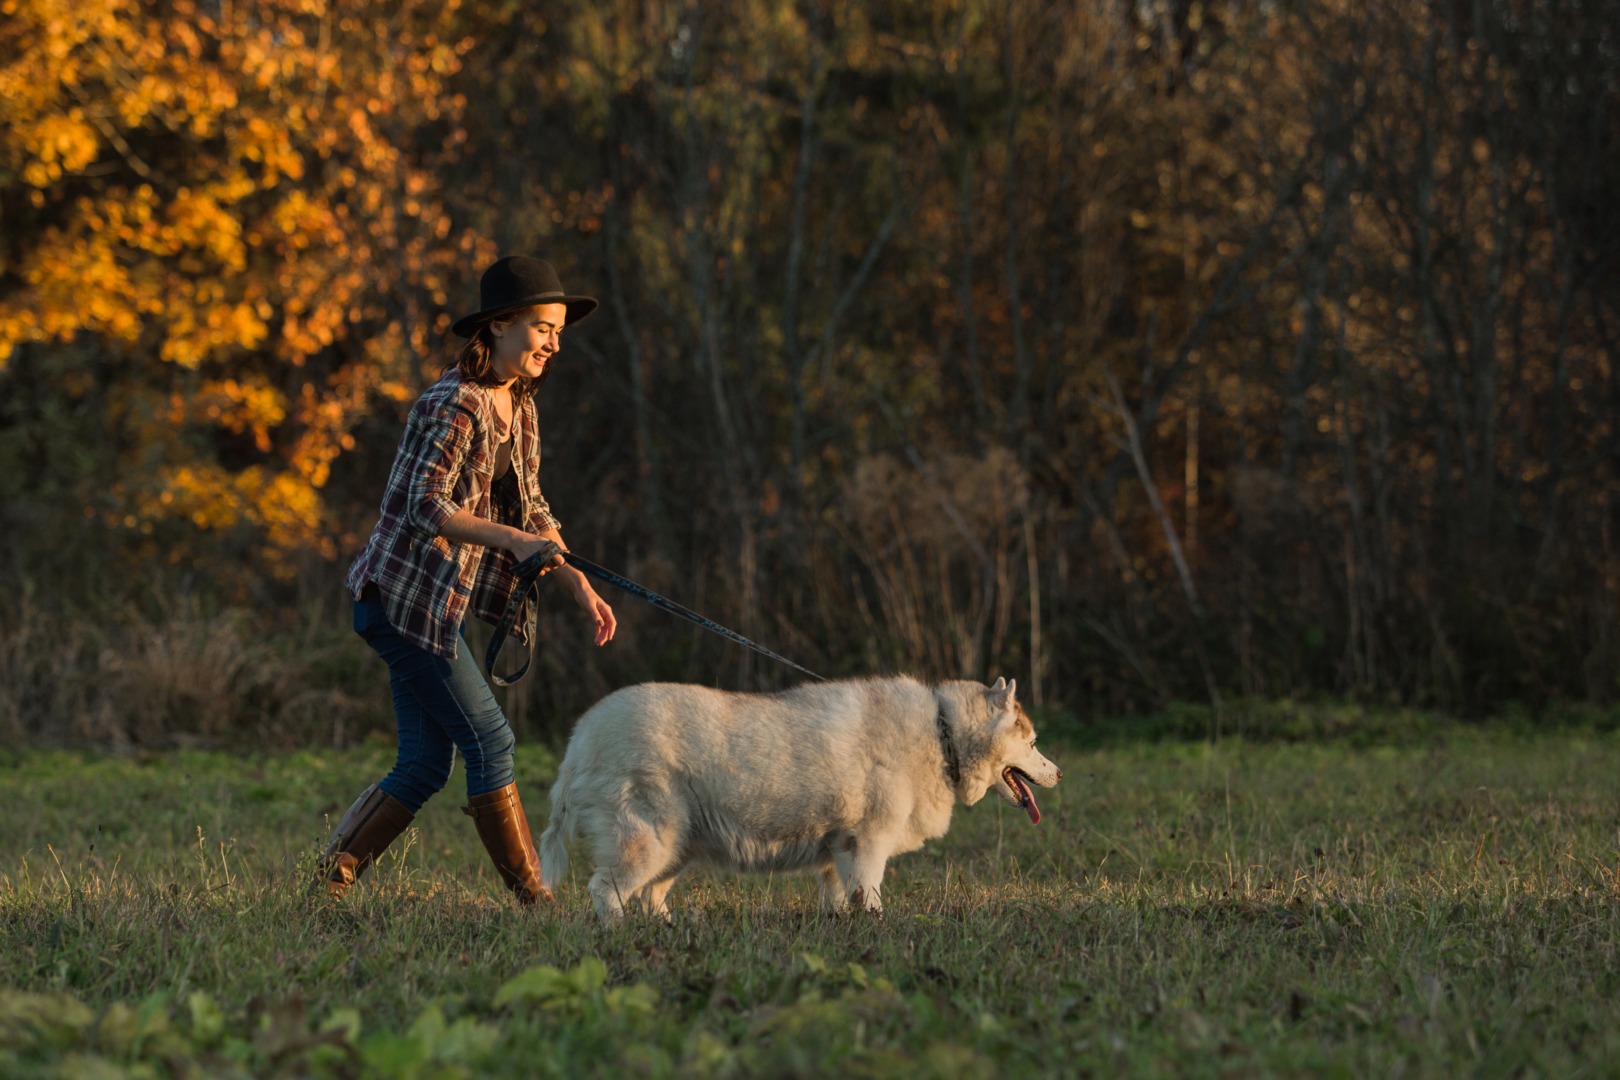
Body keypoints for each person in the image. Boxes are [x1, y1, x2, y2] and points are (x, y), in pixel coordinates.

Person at [320, 255, 617, 905]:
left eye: (559, 331)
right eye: (542, 328)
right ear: (500, 326)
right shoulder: (453, 403)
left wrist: (579, 584)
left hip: (436, 608)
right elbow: (422, 505)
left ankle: (331, 881)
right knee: (491, 740)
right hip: (400, 599)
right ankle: (535, 902)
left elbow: (534, 509)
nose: (553, 343)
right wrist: (512, 540)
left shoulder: (521, 406)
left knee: (425, 764)